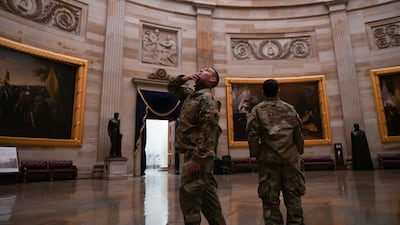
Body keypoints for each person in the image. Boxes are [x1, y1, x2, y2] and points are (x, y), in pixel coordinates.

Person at [168, 67, 226, 225]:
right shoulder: (191, 96)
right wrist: (185, 78)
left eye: (206, 70)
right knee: (208, 200)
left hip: (197, 155)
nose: (201, 71)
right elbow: (171, 87)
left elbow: (208, 131)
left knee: (190, 199)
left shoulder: (207, 99)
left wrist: (197, 158)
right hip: (195, 154)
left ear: (212, 80)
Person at [246, 79, 305, 225]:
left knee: (270, 201)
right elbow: (298, 132)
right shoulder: (289, 108)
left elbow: (252, 134)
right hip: (290, 160)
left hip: (268, 162)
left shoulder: (257, 110)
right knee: (293, 198)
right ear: (278, 90)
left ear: (263, 92)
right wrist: (299, 151)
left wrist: (256, 154)